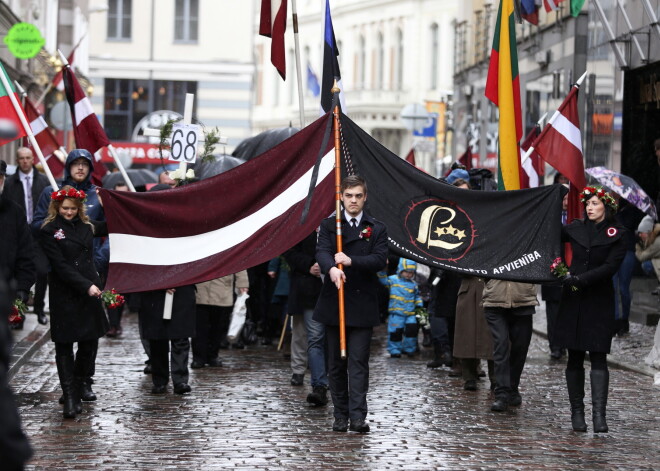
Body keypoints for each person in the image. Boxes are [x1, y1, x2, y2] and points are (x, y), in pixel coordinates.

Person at [313, 175, 387, 433]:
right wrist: (331, 268)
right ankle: (340, 415)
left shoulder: (375, 227)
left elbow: (379, 259)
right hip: (336, 302)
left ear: (364, 197)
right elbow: (322, 251)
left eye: (358, 195)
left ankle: (357, 416)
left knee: (358, 363)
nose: (353, 200)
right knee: (336, 363)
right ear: (341, 197)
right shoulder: (330, 224)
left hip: (363, 303)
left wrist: (351, 260)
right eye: (348, 195)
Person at [554, 186, 627, 433]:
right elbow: (550, 237)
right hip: (573, 300)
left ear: (606, 206)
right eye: (587, 203)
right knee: (574, 356)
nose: (590, 207)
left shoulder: (617, 233)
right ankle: (577, 413)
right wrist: (561, 270)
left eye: (595, 203)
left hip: (598, 300)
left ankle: (599, 415)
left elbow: (610, 266)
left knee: (598, 356)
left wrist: (580, 279)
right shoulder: (575, 228)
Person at [39, 186, 109, 419]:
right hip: (65, 293)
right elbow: (61, 266)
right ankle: (69, 396)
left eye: (72, 209)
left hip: (89, 291)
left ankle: (78, 387)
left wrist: (110, 202)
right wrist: (85, 285)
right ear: (57, 208)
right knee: (65, 346)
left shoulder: (88, 227)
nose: (68, 212)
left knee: (88, 345)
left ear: (79, 208)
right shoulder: (49, 230)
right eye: (65, 208)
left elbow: (114, 225)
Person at [4, 147, 50, 325]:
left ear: (33, 159)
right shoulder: (10, 183)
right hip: (19, 233)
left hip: (39, 233)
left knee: (41, 272)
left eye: (27, 158)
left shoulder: (43, 181)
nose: (24, 161)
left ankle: (39, 308)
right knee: (19, 274)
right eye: (21, 158)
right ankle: (19, 313)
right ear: (17, 160)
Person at [284, 231, 329, 406]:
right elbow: (289, 252)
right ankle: (298, 370)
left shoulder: (333, 226)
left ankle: (320, 375)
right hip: (304, 286)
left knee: (316, 336)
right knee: (301, 332)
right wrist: (309, 265)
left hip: (325, 289)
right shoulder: (303, 226)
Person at [483, 279, 538, 412]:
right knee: (500, 346)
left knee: (521, 347)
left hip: (523, 298)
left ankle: (512, 387)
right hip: (495, 299)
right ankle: (501, 394)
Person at [192, 271, 248, 368]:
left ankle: (213, 355)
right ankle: (199, 357)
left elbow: (239, 262)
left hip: (222, 289)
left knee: (217, 327)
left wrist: (242, 283)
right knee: (199, 328)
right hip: (200, 289)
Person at [541, 183, 569, 360]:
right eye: (563, 198)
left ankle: (566, 343)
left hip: (573, 273)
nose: (565, 202)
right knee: (554, 313)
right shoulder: (549, 219)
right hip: (553, 274)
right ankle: (555, 346)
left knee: (568, 312)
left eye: (568, 199)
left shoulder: (577, 217)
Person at [612, 199, 645, 336]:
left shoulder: (632, 211)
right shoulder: (612, 210)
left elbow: (630, 225)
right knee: (613, 287)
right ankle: (615, 320)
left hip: (627, 251)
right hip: (613, 251)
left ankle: (624, 319)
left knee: (624, 288)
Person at [378, 259, 423, 358]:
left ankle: (409, 349)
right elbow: (383, 280)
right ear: (401, 270)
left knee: (411, 332)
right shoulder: (393, 280)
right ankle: (394, 350)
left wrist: (419, 305)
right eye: (406, 272)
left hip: (410, 313)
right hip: (396, 313)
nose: (408, 274)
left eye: (411, 273)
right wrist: (382, 269)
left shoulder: (414, 284)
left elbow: (417, 296)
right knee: (395, 332)